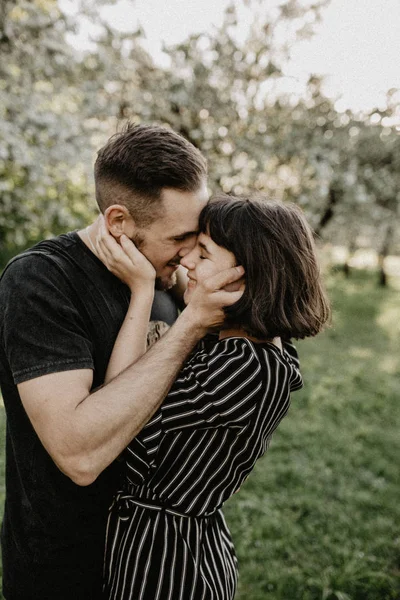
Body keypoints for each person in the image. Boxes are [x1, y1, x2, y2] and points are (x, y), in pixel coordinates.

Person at [0, 124, 244, 599]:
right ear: (118, 221)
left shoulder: (165, 276)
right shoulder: (40, 282)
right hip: (68, 569)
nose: (192, 254)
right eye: (181, 237)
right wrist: (189, 325)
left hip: (154, 565)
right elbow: (79, 456)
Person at [98, 194, 331, 600]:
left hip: (166, 566)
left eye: (203, 254)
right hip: (163, 546)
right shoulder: (239, 346)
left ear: (245, 276)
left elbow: (115, 417)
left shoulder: (244, 367)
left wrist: (142, 291)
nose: (187, 262)